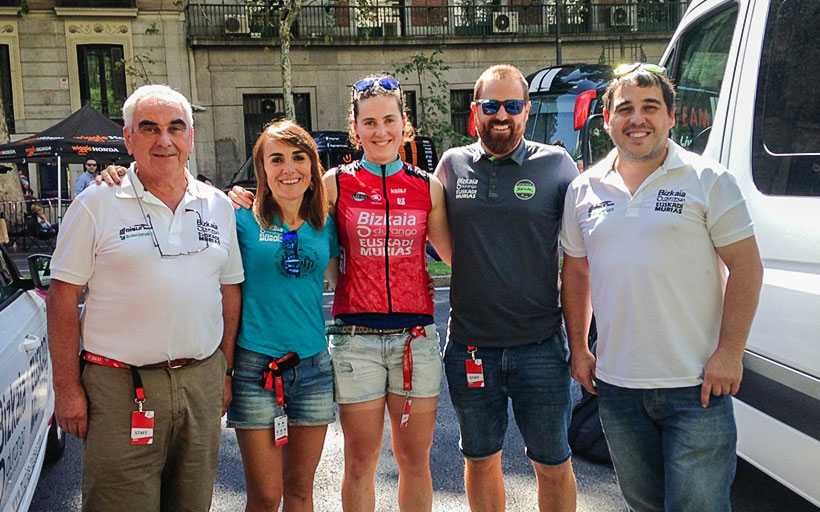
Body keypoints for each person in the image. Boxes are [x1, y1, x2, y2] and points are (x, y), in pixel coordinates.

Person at [230, 74, 452, 512]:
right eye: (369, 122)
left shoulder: (428, 186)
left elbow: (456, 257)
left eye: (389, 120)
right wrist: (241, 199)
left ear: (404, 124)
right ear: (355, 128)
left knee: (415, 463)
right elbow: (291, 211)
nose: (380, 131)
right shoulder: (334, 183)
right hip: (355, 339)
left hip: (416, 339)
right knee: (360, 463)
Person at [560, 63, 764, 511]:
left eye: (650, 107)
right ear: (607, 119)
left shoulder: (708, 180)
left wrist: (730, 353)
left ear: (671, 116)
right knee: (644, 505)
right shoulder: (583, 188)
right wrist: (579, 348)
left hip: (697, 385)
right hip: (617, 388)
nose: (637, 119)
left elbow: (747, 267)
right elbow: (576, 272)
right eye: (625, 109)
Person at [47, 84, 244, 512]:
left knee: (192, 503)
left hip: (200, 382)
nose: (164, 140)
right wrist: (66, 388)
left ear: (191, 137)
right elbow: (62, 297)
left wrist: (224, 372)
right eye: (150, 128)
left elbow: (229, 292)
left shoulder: (217, 206)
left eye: (176, 127)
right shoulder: (96, 203)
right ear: (129, 138)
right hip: (119, 388)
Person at [434, 64, 579, 512]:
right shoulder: (451, 165)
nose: (502, 115)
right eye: (491, 105)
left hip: (540, 347)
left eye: (512, 106)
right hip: (471, 346)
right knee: (480, 460)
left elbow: (583, 252)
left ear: (526, 110)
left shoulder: (557, 166)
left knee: (553, 463)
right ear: (475, 109)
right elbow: (443, 245)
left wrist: (580, 344)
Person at [228, 119, 339, 512]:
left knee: (301, 492)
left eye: (298, 157)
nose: (288, 168)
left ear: (312, 166)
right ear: (262, 169)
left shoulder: (326, 224)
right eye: (276, 159)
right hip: (255, 367)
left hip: (313, 368)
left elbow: (351, 278)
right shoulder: (240, 218)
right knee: (264, 496)